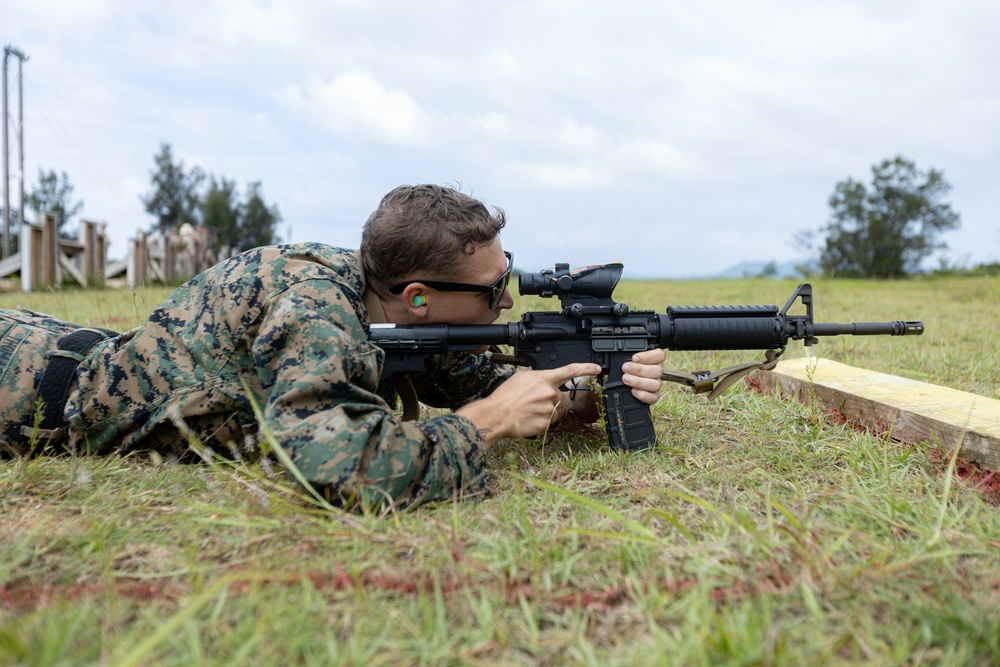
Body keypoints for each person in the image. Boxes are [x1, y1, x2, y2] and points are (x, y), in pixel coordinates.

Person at [0, 185, 666, 509]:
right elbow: (337, 468)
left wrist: (584, 395)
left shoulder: (387, 300)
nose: (508, 302)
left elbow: (476, 380)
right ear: (418, 296)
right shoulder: (317, 312)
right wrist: (485, 424)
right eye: (493, 291)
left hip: (75, 347)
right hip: (32, 390)